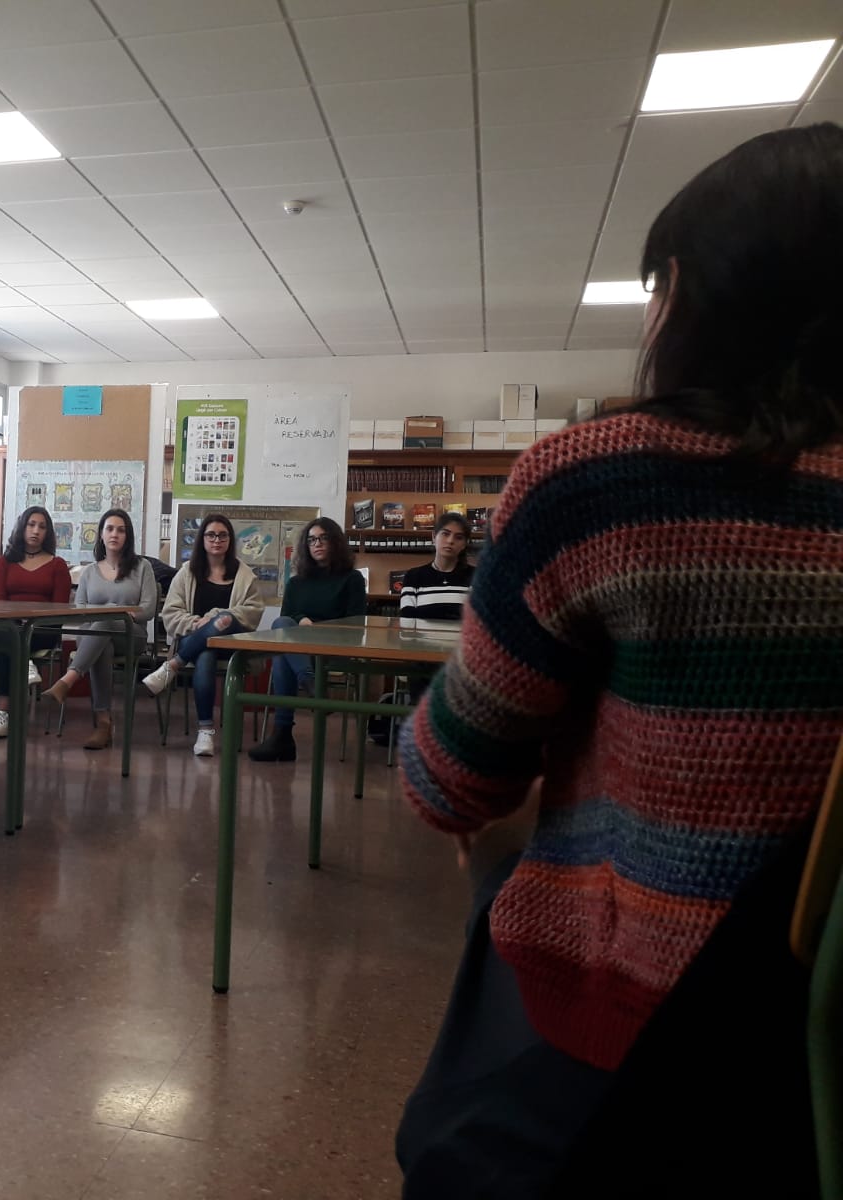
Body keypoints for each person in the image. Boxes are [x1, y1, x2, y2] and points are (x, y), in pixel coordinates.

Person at [394, 123, 843, 1197]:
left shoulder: (598, 478)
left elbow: (451, 782)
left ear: (685, 296)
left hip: (655, 1023)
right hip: (823, 1045)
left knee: (444, 1149)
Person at [142, 513, 264, 757]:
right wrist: (196, 623)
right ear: (202, 539)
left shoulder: (244, 575)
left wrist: (215, 617)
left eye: (222, 535)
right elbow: (171, 614)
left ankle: (171, 667)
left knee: (224, 619)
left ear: (230, 539)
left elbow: (253, 612)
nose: (216, 540)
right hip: (194, 641)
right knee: (205, 654)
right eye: (211, 535)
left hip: (231, 644)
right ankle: (206, 731)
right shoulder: (187, 572)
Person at [248, 518, 368, 763]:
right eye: (312, 540)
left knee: (283, 651)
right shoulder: (296, 582)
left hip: (335, 647)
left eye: (323, 538)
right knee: (282, 631)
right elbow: (286, 618)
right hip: (301, 649)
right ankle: (311, 685)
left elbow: (356, 624)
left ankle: (282, 736)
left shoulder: (352, 579)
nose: (317, 544)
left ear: (335, 542)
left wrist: (317, 629)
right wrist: (301, 619)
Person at [40, 509, 157, 751]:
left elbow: (148, 609)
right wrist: (107, 613)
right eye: (109, 529)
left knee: (106, 621)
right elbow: (79, 609)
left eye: (121, 530)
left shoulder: (142, 567)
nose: (115, 534)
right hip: (94, 635)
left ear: (128, 536)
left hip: (131, 634)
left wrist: (118, 613)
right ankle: (104, 724)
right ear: (101, 534)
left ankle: (68, 679)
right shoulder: (90, 572)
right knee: (103, 640)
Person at [0, 506, 71, 739]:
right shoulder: (5, 562)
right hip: (10, 624)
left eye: (42, 527)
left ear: (48, 533)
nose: (35, 531)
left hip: (43, 628)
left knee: (10, 639)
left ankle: (4, 707)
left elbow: (59, 609)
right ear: (22, 528)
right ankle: (4, 709)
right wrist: (16, 619)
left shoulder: (57, 565)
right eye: (31, 525)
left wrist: (31, 619)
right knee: (4, 635)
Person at [398, 512, 474, 623]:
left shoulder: (477, 577)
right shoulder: (413, 577)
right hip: (420, 636)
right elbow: (407, 623)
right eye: (445, 534)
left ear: (464, 544)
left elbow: (479, 622)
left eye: (458, 537)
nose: (450, 541)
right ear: (434, 537)